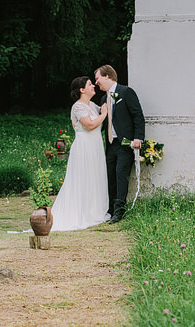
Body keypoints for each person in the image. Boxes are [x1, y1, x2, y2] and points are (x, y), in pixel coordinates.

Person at [50, 76, 110, 232]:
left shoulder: (92, 105)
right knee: (82, 178)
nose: (93, 87)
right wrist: (103, 114)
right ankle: (81, 213)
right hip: (84, 146)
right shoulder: (78, 107)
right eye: (90, 85)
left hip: (95, 146)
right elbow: (90, 125)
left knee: (93, 177)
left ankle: (93, 211)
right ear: (82, 89)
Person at [94, 64, 145, 224]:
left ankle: (119, 210)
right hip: (110, 143)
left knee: (121, 174)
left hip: (126, 143)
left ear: (107, 76)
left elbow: (138, 116)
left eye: (97, 79)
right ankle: (109, 209)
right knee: (109, 175)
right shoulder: (103, 99)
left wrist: (138, 138)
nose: (96, 83)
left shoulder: (126, 92)